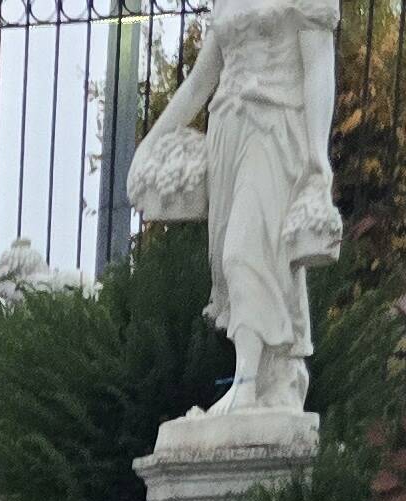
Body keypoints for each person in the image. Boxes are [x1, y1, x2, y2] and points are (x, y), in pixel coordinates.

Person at [130, 0, 345, 424]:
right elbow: (198, 82)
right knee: (232, 263)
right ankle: (267, 378)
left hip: (276, 128)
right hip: (227, 133)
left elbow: (320, 68)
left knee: (245, 253)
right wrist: (149, 144)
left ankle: (246, 386)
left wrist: (319, 159)